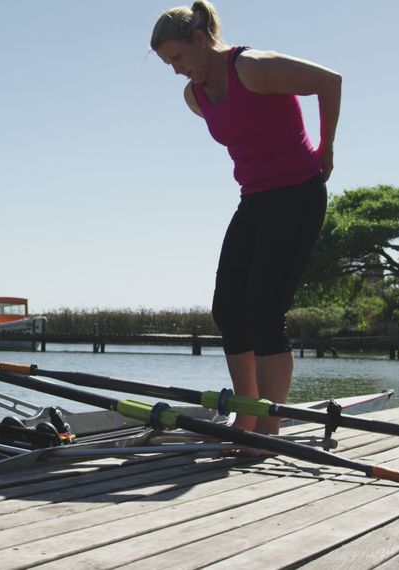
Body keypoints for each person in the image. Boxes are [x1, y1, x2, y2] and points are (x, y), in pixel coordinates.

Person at [151, 2, 341, 434]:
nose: (177, 70)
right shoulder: (194, 95)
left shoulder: (252, 68)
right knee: (228, 309)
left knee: (266, 308)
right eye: (168, 64)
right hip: (254, 199)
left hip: (297, 194)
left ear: (200, 39)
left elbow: (330, 82)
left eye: (177, 58)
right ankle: (247, 413)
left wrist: (326, 148)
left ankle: (269, 426)